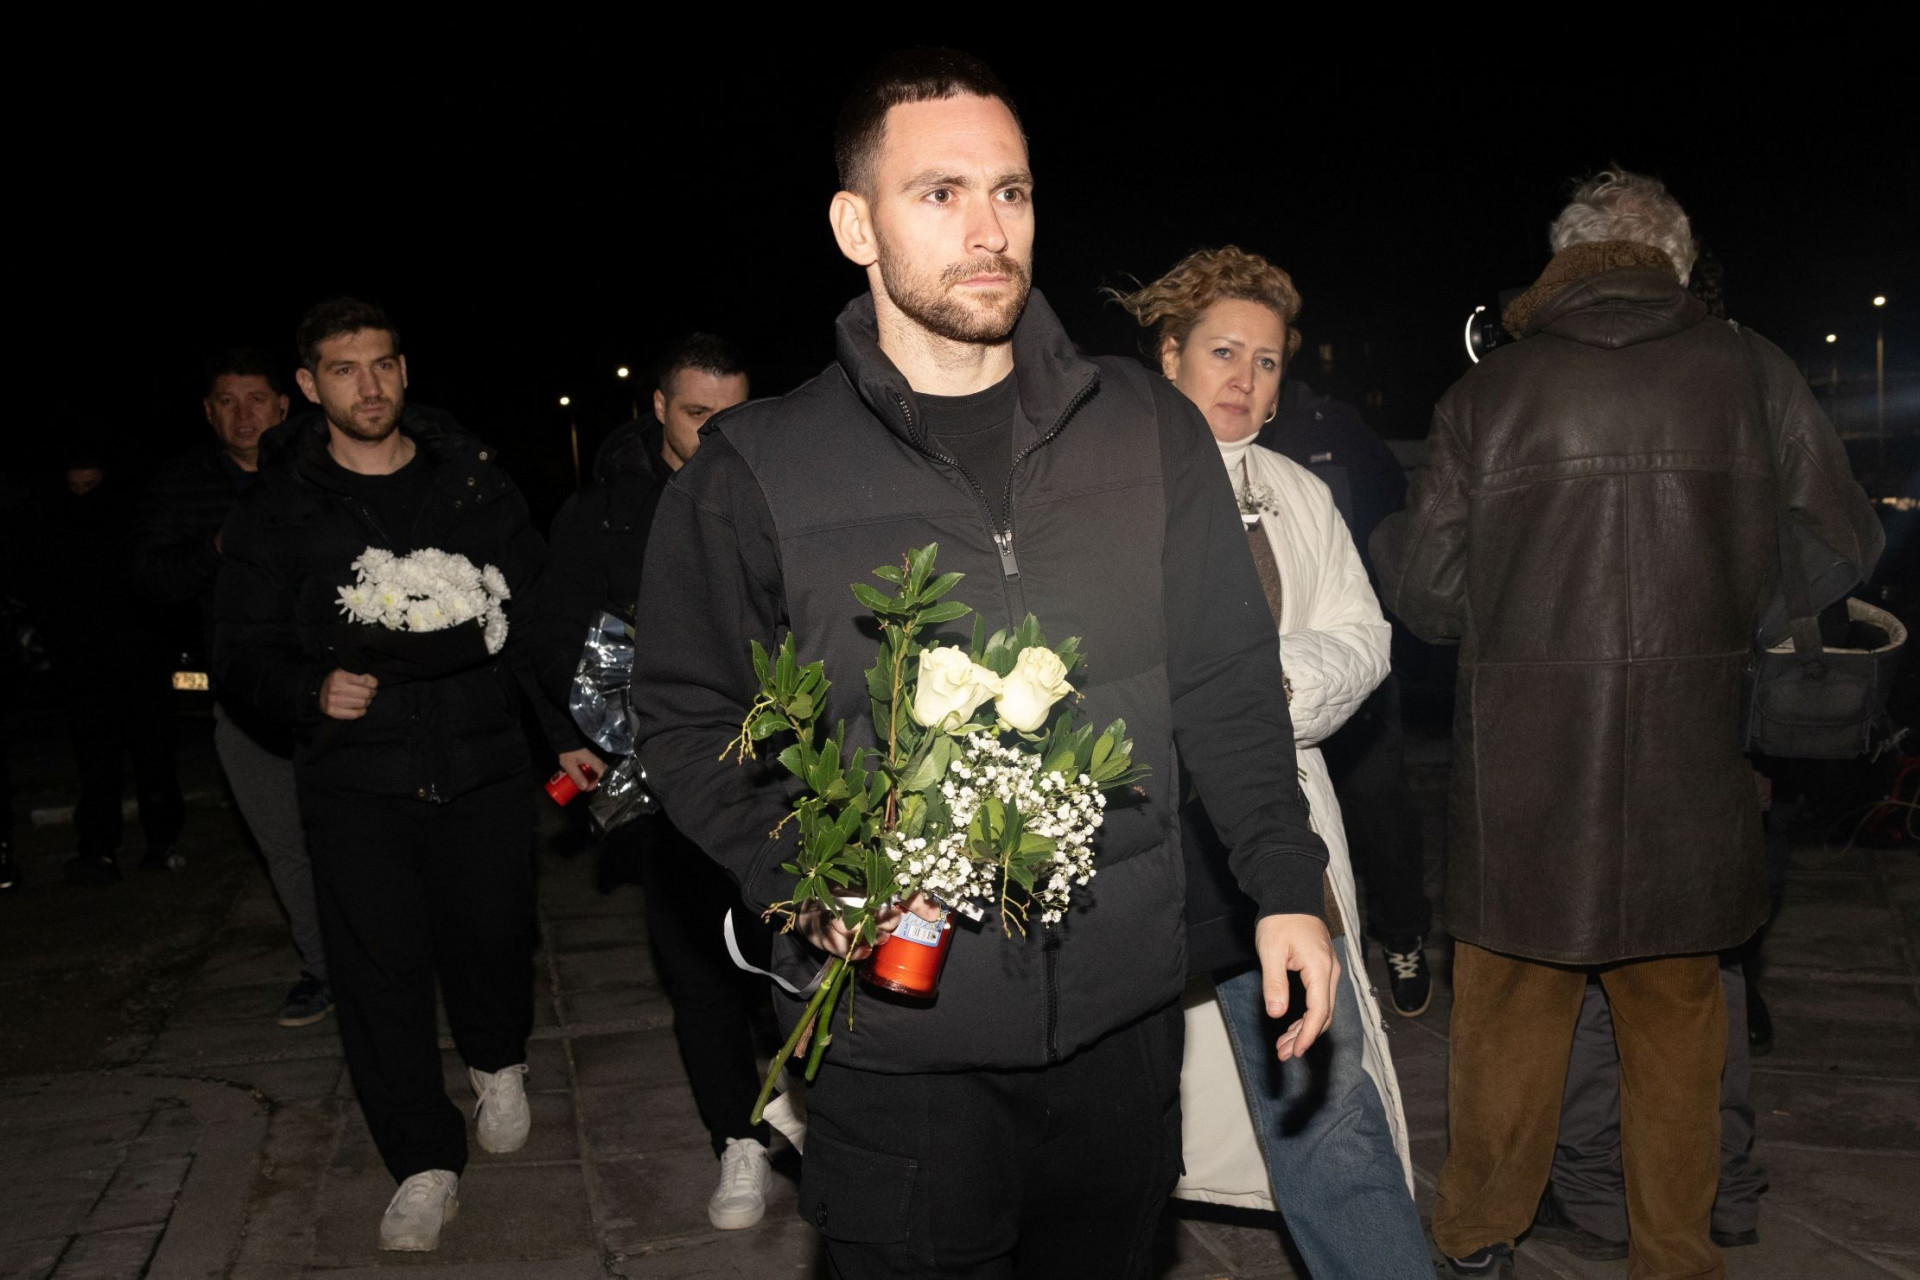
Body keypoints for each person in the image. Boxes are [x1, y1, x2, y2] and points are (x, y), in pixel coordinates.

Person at [632, 50, 1337, 1280]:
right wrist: (799, 873)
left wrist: (1286, 880)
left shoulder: (1144, 425)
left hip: (1123, 1020)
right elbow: (687, 717)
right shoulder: (757, 469)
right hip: (899, 1039)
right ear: (857, 226)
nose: (988, 229)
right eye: (940, 193)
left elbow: (1225, 676)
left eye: (1010, 191)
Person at [1373, 168, 1884, 1279]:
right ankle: (1675, 1254)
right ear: (1675, 262)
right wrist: (1732, 607)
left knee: (1507, 1012)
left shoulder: (1491, 394)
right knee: (1678, 1022)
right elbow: (1844, 540)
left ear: (1565, 261)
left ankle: (1477, 1239)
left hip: (1525, 769)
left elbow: (1429, 595)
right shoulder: (1752, 370)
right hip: (1692, 763)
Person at [215, 298, 552, 1253]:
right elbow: (239, 647)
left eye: (383, 365)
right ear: (308, 386)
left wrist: (566, 727)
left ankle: (498, 1059)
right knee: (378, 973)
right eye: (344, 369)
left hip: (482, 760)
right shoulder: (280, 505)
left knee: (494, 937)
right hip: (356, 777)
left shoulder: (471, 479)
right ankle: (422, 1161)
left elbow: (534, 608)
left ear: (404, 370)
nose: (369, 386)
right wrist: (309, 688)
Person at [1120, 247, 1430, 1279]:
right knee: (1104, 1125)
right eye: (1222, 352)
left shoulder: (1296, 491)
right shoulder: (1099, 482)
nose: (1245, 380)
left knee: (1328, 1110)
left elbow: (1363, 638)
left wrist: (1257, 689)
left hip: (1269, 841)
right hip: (1129, 844)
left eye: (1266, 363)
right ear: (1169, 353)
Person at [530, 333, 774, 1229]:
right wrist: (569, 736)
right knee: (698, 963)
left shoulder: (780, 486)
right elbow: (553, 634)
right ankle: (736, 1139)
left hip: (781, 769)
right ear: (660, 409)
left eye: (733, 416)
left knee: (794, 951)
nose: (717, 434)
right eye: (698, 415)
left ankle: (818, 1115)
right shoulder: (600, 514)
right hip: (664, 772)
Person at [129, 348, 333, 1027]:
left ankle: (389, 957)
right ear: (209, 412)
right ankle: (323, 967)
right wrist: (217, 545)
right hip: (246, 699)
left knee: (364, 834)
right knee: (284, 842)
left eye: (256, 399)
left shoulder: (323, 466)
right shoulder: (180, 483)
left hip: (338, 686)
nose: (243, 414)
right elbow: (151, 579)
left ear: (285, 404)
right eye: (227, 401)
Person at [1256, 348, 1435, 1016]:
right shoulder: (1189, 456)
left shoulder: (1334, 428)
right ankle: (1330, 952)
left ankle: (1403, 936)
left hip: (1350, 655)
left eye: (1265, 363)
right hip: (1264, 680)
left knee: (1380, 809)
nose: (1245, 383)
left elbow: (1394, 515)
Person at [38, 431, 185, 884]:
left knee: (152, 755)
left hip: (141, 662)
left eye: (91, 487)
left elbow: (157, 587)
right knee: (96, 762)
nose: (84, 497)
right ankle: (98, 850)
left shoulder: (133, 527)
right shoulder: (57, 535)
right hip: (86, 668)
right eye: (75, 488)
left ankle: (161, 844)